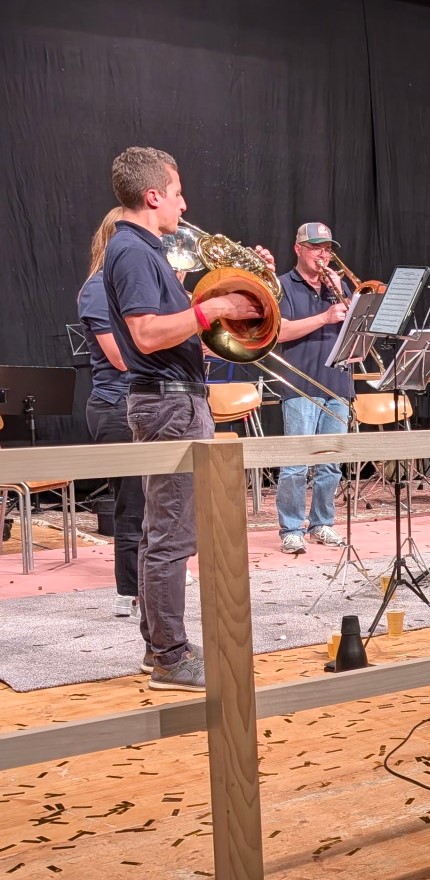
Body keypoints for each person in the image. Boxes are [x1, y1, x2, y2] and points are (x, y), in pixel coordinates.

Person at [104, 146, 273, 692]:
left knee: (164, 533)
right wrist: (217, 310)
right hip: (169, 404)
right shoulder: (132, 251)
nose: (184, 202)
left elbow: (171, 334)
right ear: (153, 196)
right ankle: (171, 658)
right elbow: (149, 334)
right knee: (172, 537)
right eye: (177, 192)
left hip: (174, 398)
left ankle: (163, 647)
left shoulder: (143, 250)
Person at [78, 206, 145, 617]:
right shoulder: (99, 288)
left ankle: (148, 580)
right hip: (116, 405)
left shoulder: (130, 287)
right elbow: (121, 359)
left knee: (153, 503)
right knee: (133, 505)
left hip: (140, 402)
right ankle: (130, 590)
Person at [274, 222, 354, 555]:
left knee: (331, 464)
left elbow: (358, 333)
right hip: (301, 384)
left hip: (337, 384)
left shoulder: (340, 287)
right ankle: (291, 528)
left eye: (328, 249)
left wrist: (345, 294)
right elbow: (279, 332)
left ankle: (322, 523)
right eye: (316, 247)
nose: (323, 255)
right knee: (295, 463)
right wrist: (325, 317)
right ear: (298, 249)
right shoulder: (282, 286)